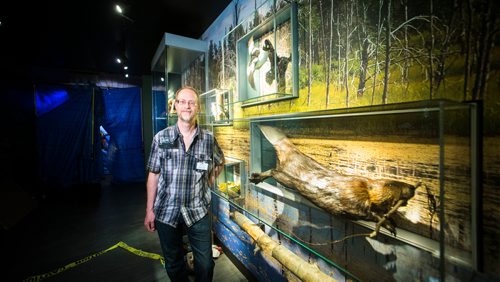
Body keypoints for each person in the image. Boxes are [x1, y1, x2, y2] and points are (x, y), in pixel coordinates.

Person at [144, 86, 224, 281]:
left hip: (197, 211)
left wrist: (209, 181)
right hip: (166, 211)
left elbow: (219, 162)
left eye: (192, 102)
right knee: (173, 262)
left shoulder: (208, 139)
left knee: (205, 263)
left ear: (197, 107)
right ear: (175, 106)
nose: (187, 106)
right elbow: (153, 175)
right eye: (182, 102)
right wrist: (149, 210)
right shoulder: (161, 138)